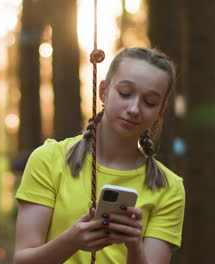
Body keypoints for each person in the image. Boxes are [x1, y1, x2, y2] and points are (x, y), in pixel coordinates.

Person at [14, 47, 185, 264]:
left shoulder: (169, 188)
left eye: (149, 102)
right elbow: (22, 260)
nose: (134, 108)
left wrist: (134, 246)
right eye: (125, 93)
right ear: (103, 91)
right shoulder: (49, 159)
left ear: (161, 110)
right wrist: (71, 242)